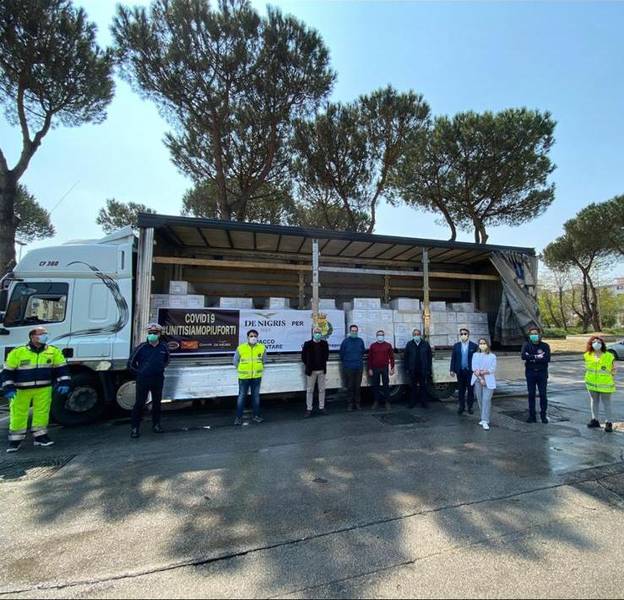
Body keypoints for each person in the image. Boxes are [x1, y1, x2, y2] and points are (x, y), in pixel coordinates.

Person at [2, 327, 71, 452]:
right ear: (32, 336)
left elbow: (62, 368)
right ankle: (15, 440)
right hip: (21, 389)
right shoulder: (18, 352)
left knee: (42, 412)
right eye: (42, 334)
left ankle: (40, 437)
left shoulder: (53, 351)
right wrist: (8, 387)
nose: (45, 336)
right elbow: (7, 372)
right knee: (18, 414)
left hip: (43, 388)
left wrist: (64, 382)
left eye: (46, 333)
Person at [128, 323, 170, 439]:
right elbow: (130, 363)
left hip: (158, 379)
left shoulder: (163, 347)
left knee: (157, 403)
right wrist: (140, 373)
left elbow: (167, 360)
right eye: (150, 333)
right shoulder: (141, 347)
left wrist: (159, 368)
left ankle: (156, 425)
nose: (152, 335)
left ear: (159, 334)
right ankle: (135, 428)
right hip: (143, 379)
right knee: (140, 403)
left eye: (155, 333)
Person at [233, 329, 266, 425]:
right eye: (251, 336)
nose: (253, 338)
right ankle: (238, 418)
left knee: (255, 397)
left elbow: (264, 361)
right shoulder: (241, 348)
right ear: (247, 337)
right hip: (244, 377)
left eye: (255, 336)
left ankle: (256, 416)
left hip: (256, 377)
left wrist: (258, 368)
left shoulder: (262, 348)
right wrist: (242, 369)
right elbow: (235, 361)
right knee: (242, 397)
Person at [584, 336, 616, 432]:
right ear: (590, 344)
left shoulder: (609, 356)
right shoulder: (587, 355)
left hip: (605, 384)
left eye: (599, 342)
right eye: (594, 341)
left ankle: (609, 423)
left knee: (607, 404)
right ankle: (595, 420)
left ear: (602, 344)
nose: (596, 343)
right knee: (594, 402)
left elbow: (613, 370)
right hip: (592, 384)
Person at [521, 326, 551, 423]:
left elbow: (546, 359)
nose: (534, 335)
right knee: (531, 394)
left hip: (542, 373)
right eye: (532, 334)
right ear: (529, 335)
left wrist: (531, 357)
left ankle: (543, 416)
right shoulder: (526, 345)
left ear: (539, 334)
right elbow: (523, 356)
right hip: (530, 373)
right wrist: (537, 357)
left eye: (536, 333)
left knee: (543, 394)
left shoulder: (545, 346)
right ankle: (532, 416)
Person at [301, 327, 330, 417]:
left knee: (322, 390)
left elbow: (326, 356)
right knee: (310, 390)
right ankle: (309, 408)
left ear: (321, 334)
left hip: (321, 370)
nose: (317, 334)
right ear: (313, 333)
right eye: (316, 332)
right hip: (311, 371)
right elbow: (303, 357)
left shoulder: (324, 344)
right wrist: (309, 365)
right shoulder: (307, 344)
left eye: (319, 332)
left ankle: (322, 407)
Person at [450, 328, 479, 415]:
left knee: (470, 390)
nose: (463, 335)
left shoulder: (474, 346)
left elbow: (477, 359)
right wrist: (452, 369)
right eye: (461, 334)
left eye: (465, 333)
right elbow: (453, 358)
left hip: (470, 372)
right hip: (460, 371)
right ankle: (461, 407)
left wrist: (477, 370)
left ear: (468, 335)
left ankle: (470, 407)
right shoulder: (456, 346)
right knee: (461, 391)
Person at [472, 338, 497, 431]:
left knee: (486, 400)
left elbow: (492, 369)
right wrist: (480, 378)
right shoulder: (475, 355)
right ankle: (483, 418)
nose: (482, 345)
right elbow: (474, 368)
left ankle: (485, 420)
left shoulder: (492, 356)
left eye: (484, 343)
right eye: (480, 343)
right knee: (480, 400)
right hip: (478, 380)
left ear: (487, 344)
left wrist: (483, 373)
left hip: (489, 380)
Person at [404, 328, 433, 409]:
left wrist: (428, 369)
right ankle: (412, 403)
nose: (416, 336)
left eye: (417, 334)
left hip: (423, 369)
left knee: (423, 386)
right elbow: (406, 357)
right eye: (414, 334)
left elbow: (429, 357)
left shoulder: (425, 344)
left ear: (420, 335)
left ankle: (424, 403)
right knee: (413, 387)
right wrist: (406, 368)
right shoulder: (409, 344)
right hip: (413, 369)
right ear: (413, 336)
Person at [340, 324, 366, 411]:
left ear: (357, 332)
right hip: (348, 367)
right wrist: (347, 362)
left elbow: (362, 351)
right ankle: (350, 404)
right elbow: (342, 354)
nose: (354, 332)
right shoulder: (345, 342)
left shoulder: (360, 341)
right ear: (350, 332)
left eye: (355, 331)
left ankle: (357, 403)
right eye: (352, 331)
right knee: (350, 386)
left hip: (358, 367)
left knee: (357, 386)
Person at [368, 330, 395, 410]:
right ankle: (376, 402)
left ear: (384, 336)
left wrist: (392, 368)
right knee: (375, 386)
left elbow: (392, 357)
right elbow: (370, 358)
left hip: (385, 368)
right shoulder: (373, 346)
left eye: (382, 335)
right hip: (375, 368)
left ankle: (387, 402)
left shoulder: (388, 345)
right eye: (379, 335)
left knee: (386, 385)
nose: (380, 336)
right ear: (376, 336)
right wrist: (370, 369)